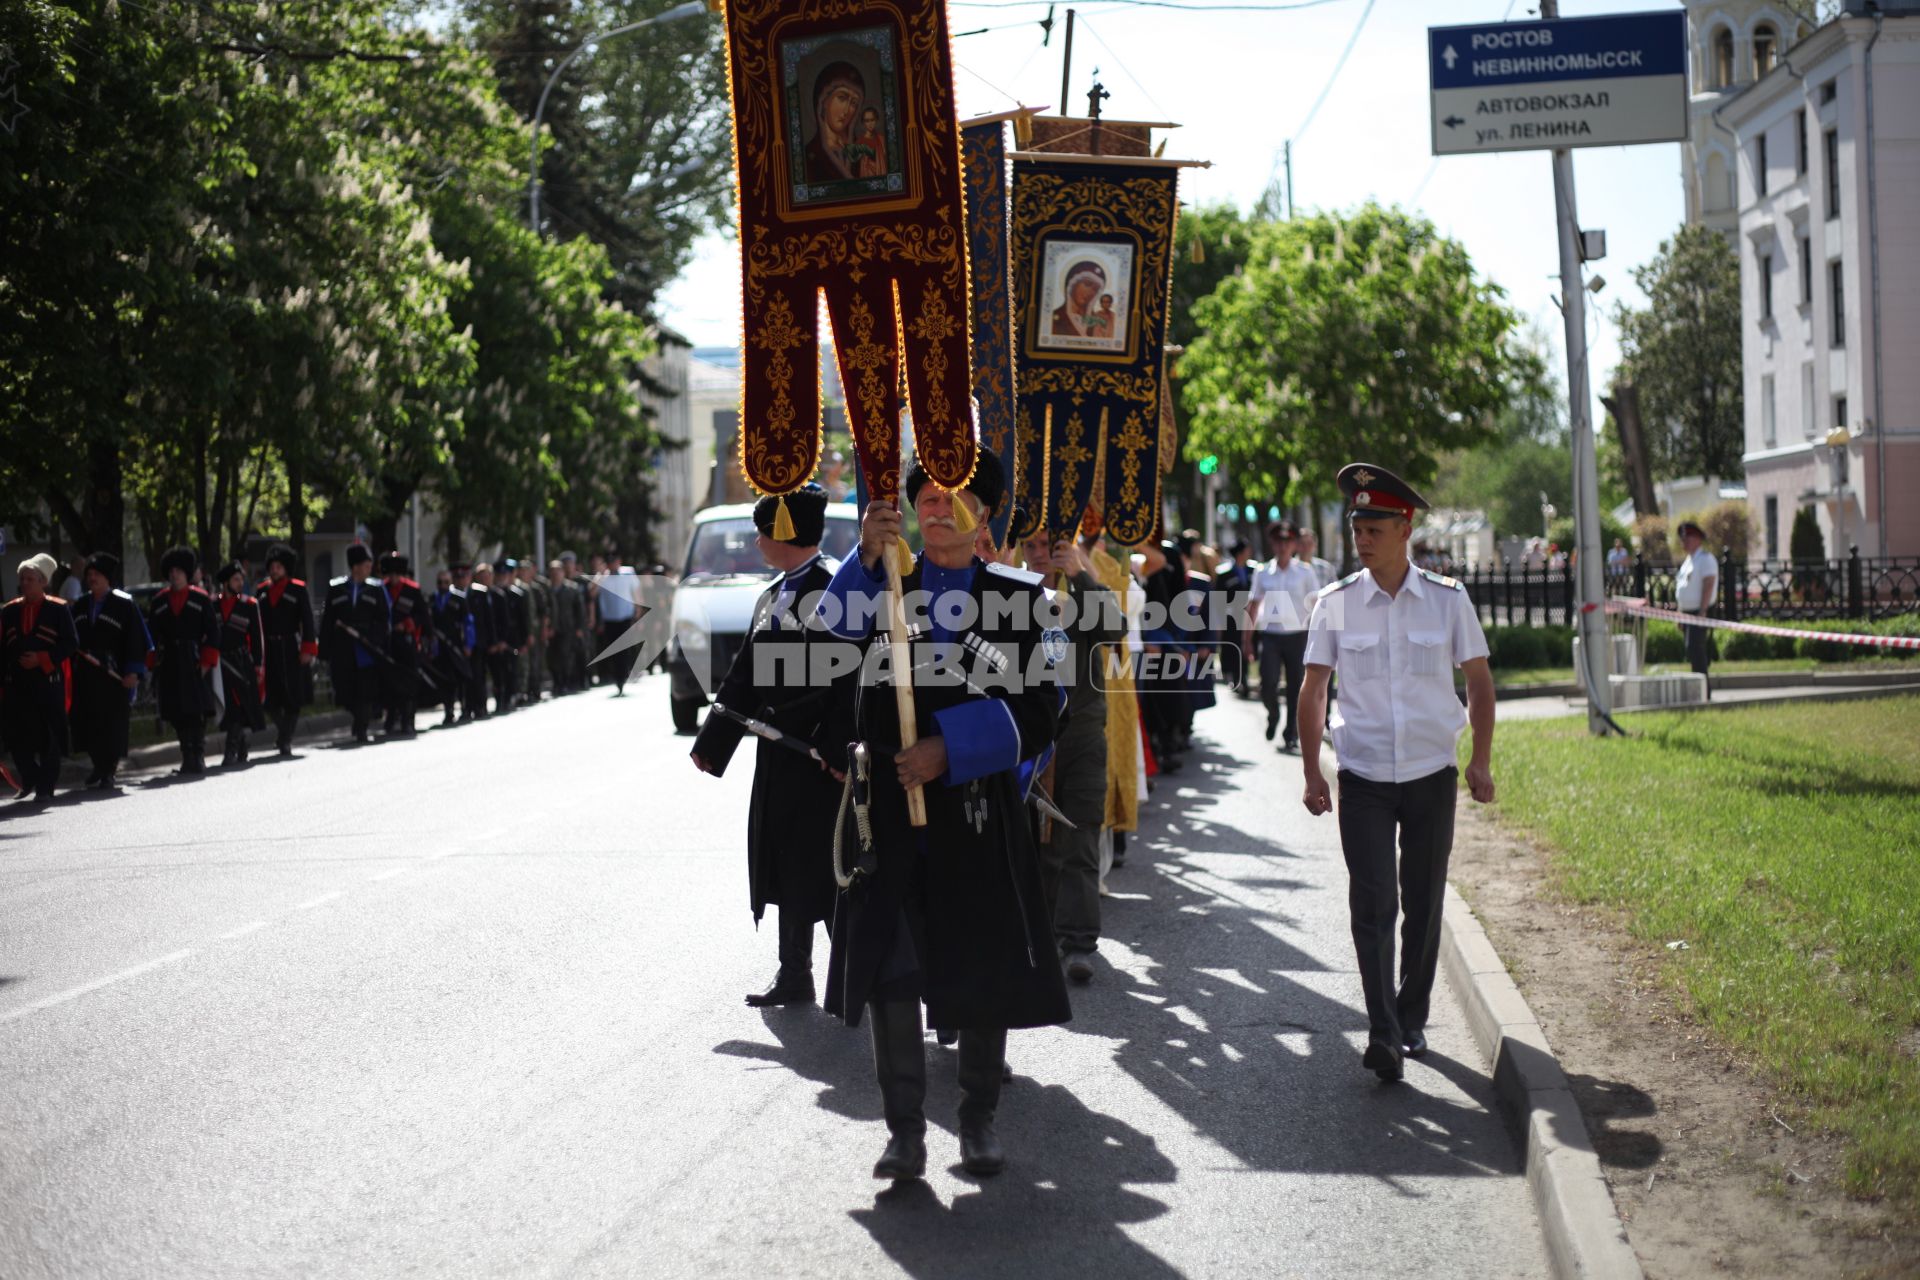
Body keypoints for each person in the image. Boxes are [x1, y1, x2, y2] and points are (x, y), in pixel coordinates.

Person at [816, 450, 1069, 1181]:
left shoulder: (1025, 601)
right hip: (889, 814)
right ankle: (904, 1134)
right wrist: (864, 557)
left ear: (984, 514)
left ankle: (978, 1119)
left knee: (980, 970)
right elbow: (827, 646)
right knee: (892, 971)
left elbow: (1046, 708)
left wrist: (949, 749)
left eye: (953, 495)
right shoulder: (881, 584)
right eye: (923, 493)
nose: (933, 505)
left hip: (978, 815)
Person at [1298, 463, 1496, 1083]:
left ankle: (1411, 1014)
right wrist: (1312, 771)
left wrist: (1480, 759)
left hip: (1430, 773)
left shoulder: (1448, 599)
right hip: (1362, 777)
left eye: (1376, 524)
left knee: (1423, 900)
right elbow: (1313, 689)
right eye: (1358, 524)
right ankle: (1382, 1029)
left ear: (1404, 527)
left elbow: (1479, 681)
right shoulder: (1333, 606)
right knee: (1373, 899)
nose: (1363, 535)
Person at [691, 485, 853, 1007]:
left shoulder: (833, 588)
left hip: (820, 759)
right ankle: (795, 973)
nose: (758, 542)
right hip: (779, 754)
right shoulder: (775, 592)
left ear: (785, 533)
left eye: (764, 531)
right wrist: (713, 742)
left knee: (829, 868)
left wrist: (836, 746)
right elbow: (746, 674)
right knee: (783, 862)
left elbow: (849, 677)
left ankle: (859, 973)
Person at [1022, 527, 1120, 984]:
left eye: (1049, 546)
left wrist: (1080, 575)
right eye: (1031, 548)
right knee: (1036, 841)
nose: (1041, 555)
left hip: (1081, 732)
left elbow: (1113, 629)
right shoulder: (1011, 596)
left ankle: (1079, 941)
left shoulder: (1082, 591)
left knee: (1080, 832)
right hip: (1031, 738)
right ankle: (1039, 934)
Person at [69, 553, 150, 790]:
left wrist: (133, 672)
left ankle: (109, 769)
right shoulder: (81, 605)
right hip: (86, 675)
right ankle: (98, 765)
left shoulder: (124, 605)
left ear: (107, 578)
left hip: (113, 676)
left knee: (111, 724)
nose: (92, 579)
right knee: (88, 722)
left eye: (97, 575)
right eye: (89, 575)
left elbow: (136, 641)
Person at [2, 553, 79, 803]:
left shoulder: (58, 608)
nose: (25, 583)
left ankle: (45, 785)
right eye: (22, 579)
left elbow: (70, 643)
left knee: (49, 738)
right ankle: (30, 777)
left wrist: (42, 659)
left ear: (43, 582)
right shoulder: (10, 610)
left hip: (47, 683)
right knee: (15, 737)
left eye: (30, 579)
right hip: (18, 686)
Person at [146, 545, 219, 775]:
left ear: (187, 573)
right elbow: (151, 635)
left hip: (194, 660)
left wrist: (207, 661)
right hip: (170, 662)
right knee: (175, 710)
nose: (174, 575)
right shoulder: (159, 602)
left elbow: (213, 633)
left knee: (196, 710)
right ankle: (186, 753)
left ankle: (197, 753)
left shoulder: (201, 599)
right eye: (171, 571)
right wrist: (151, 662)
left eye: (179, 571)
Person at [1248, 522, 1319, 753]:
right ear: (1273, 544)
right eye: (1279, 542)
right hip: (1271, 636)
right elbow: (1254, 605)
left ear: (1295, 545)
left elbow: (1317, 605)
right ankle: (1272, 714)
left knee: (1295, 687)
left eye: (1287, 542)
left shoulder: (1305, 572)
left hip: (1297, 636)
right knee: (1268, 682)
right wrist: (1246, 640)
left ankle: (1291, 733)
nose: (1283, 546)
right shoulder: (1262, 571)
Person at [319, 543, 390, 744]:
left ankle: (361, 726)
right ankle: (358, 718)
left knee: (365, 690)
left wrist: (376, 640)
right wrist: (324, 650)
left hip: (366, 648)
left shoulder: (376, 589)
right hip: (343, 648)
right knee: (344, 689)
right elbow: (328, 620)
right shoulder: (337, 588)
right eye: (367, 564)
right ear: (356, 566)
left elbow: (384, 619)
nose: (370, 568)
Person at [256, 544, 318, 757]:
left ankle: (285, 738)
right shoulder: (261, 591)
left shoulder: (298, 589)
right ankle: (283, 732)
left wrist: (308, 649)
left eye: (279, 566)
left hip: (291, 646)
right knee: (271, 697)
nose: (275, 570)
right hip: (269, 649)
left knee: (293, 696)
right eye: (272, 566)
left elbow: (308, 622)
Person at [212, 562, 267, 768]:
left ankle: (231, 749)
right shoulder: (212, 605)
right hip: (219, 664)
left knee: (239, 705)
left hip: (241, 662)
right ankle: (241, 743)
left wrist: (258, 664)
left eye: (241, 579)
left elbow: (256, 636)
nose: (240, 583)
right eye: (236, 579)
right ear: (225, 583)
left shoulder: (249, 605)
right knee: (228, 707)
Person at [379, 553, 432, 738]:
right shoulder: (381, 589)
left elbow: (423, 616)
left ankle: (408, 720)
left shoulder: (412, 590)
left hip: (407, 642)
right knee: (389, 682)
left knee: (409, 682)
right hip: (388, 642)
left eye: (396, 574)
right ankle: (391, 717)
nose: (392, 578)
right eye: (390, 574)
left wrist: (408, 624)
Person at [1673, 520, 1718, 695]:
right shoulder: (1688, 561)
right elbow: (1682, 589)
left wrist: (1702, 611)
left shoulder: (1705, 559)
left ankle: (1703, 691)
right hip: (1687, 613)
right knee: (1691, 650)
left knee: (1696, 650)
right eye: (1683, 539)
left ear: (1698, 539)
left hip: (1699, 611)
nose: (1685, 542)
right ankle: (1698, 688)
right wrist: (1679, 614)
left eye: (1689, 538)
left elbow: (1708, 584)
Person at [805, 62, 866, 184]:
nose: (846, 111)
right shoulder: (808, 157)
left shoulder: (861, 152)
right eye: (842, 98)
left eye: (853, 103)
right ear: (824, 101)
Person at [450, 561, 493, 721]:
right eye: (457, 577)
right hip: (459, 645)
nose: (461, 580)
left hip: (478, 643)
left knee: (478, 676)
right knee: (463, 678)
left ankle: (480, 706)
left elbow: (489, 620)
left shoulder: (479, 593)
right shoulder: (451, 595)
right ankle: (466, 708)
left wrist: (491, 641)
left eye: (464, 576)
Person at [593, 553, 640, 695]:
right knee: (613, 650)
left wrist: (638, 612)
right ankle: (617, 677)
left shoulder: (628, 573)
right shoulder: (603, 578)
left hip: (625, 618)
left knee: (624, 649)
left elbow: (636, 592)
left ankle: (622, 677)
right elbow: (592, 594)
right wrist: (599, 576)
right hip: (610, 620)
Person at [1214, 540, 1255, 699]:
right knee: (1234, 648)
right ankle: (1239, 678)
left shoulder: (1253, 570)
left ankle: (1245, 677)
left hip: (1250, 617)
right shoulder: (1224, 574)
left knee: (1248, 647)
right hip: (1232, 618)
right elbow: (1219, 599)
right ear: (1240, 553)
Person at [1050, 260, 1107, 338]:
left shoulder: (1097, 321)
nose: (1090, 292)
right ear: (1073, 284)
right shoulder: (1054, 318)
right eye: (1087, 284)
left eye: (1095, 289)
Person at [519, 560, 549, 704]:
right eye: (522, 570)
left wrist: (544, 629)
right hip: (524, 630)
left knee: (536, 661)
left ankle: (535, 690)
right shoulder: (518, 588)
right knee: (525, 662)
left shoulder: (537, 589)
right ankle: (525, 690)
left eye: (527, 570)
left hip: (536, 631)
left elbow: (544, 612)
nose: (524, 573)